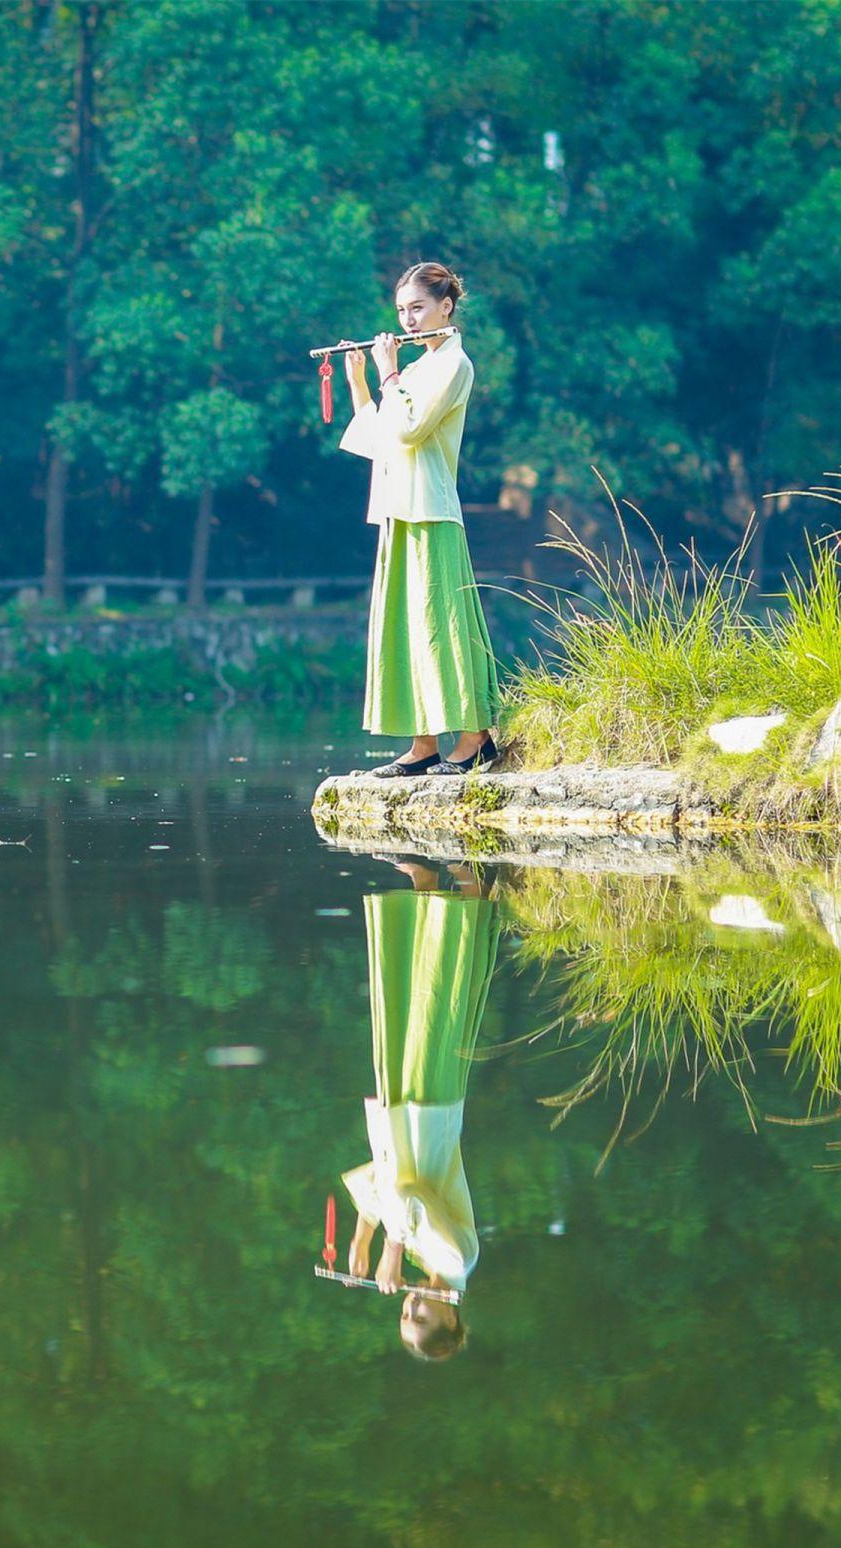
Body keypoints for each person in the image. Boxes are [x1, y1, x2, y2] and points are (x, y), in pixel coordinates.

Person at [337, 263, 502, 777]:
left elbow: (409, 428)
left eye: (418, 308)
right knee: (407, 627)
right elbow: (378, 438)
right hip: (396, 508)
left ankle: (475, 738)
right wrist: (360, 380)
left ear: (445, 307)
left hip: (431, 510)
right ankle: (424, 743)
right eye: (402, 311)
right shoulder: (412, 371)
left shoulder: (455, 365)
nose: (408, 321)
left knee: (442, 625)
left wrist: (386, 371)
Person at [341, 856, 497, 1361]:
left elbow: (379, 1184)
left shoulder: (418, 1253)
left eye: (404, 1316)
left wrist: (364, 1237)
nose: (410, 1307)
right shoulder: (457, 1259)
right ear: (451, 1316)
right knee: (443, 1000)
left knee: (405, 1004)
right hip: (430, 1112)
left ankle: (425, 884)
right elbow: (409, 1194)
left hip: (400, 1122)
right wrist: (387, 1249)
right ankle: (471, 887)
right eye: (421, 1317)